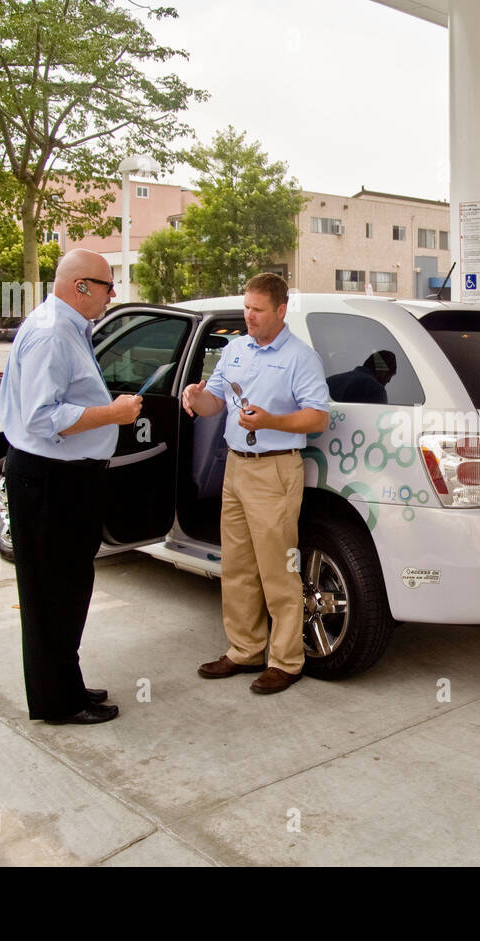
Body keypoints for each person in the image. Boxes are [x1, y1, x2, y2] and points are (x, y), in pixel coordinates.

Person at [0, 249, 142, 725]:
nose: (112, 293)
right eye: (107, 284)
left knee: (66, 589)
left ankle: (65, 684)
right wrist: (114, 414)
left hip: (60, 480)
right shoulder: (52, 333)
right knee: (52, 594)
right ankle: (59, 702)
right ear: (81, 285)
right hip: (49, 481)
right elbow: (43, 418)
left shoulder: (64, 327)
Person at [181, 273, 330, 694]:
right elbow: (214, 403)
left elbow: (317, 417)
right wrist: (196, 396)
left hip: (275, 469)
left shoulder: (301, 358)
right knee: (238, 565)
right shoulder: (234, 350)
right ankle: (244, 650)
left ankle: (286, 661)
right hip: (237, 466)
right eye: (246, 307)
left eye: (257, 310)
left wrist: (270, 420)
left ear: (280, 311)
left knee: (278, 568)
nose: (249, 316)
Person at [326, 350, 397, 403]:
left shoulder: (329, 381)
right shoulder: (374, 390)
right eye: (389, 375)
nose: (388, 381)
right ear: (382, 371)